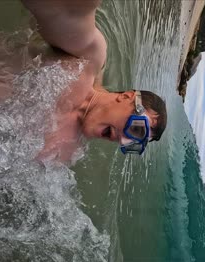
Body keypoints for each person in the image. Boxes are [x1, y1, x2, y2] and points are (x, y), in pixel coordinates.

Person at [17, 0, 168, 162]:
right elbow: (67, 11)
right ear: (127, 97)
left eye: (133, 141)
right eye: (136, 129)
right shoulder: (85, 62)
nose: (122, 140)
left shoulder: (63, 154)